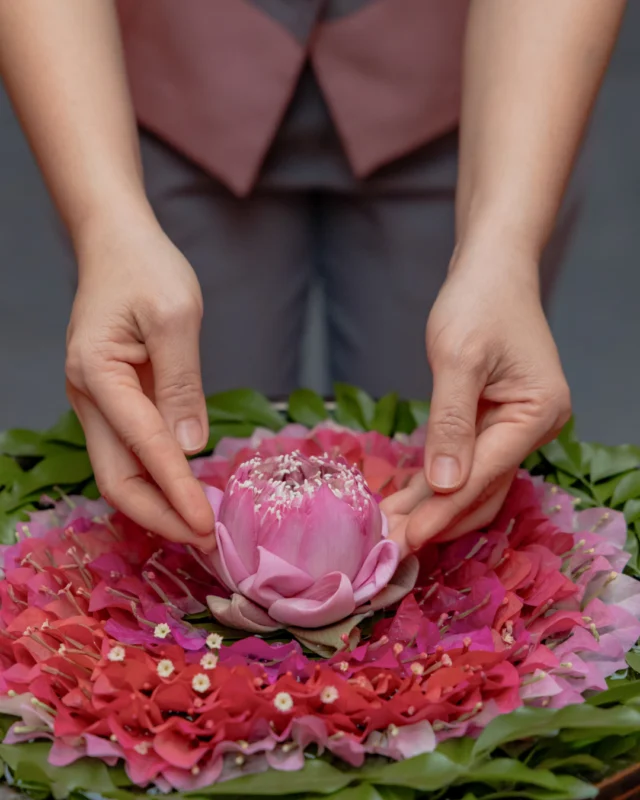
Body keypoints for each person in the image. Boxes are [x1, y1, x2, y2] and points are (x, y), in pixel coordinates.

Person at [0, 0, 626, 557]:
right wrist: (104, 220)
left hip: (476, 83)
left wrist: (504, 251)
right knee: (180, 503)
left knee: (446, 495)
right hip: (159, 80)